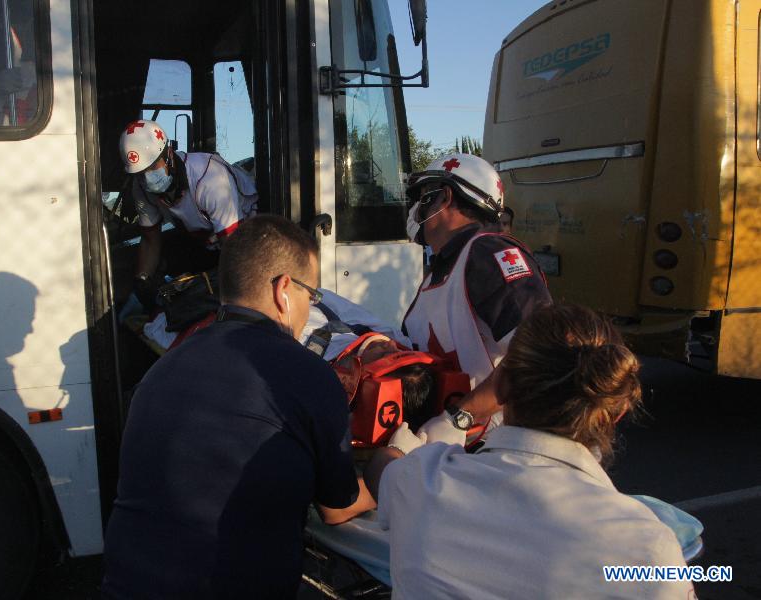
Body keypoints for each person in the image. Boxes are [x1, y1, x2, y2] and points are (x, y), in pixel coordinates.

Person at [102, 216, 375, 599]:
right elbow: (339, 508)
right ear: (284, 291)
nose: (307, 310)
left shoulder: (162, 369)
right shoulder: (306, 373)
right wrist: (387, 469)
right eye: (310, 296)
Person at [365, 304, 695, 599]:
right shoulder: (649, 546)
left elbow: (383, 466)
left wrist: (457, 417)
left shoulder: (422, 484)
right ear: (616, 412)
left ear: (502, 386)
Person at [402, 153, 551, 439]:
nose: (414, 210)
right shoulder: (444, 267)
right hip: (455, 445)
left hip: (496, 446)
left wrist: (459, 418)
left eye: (423, 198)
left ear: (444, 198)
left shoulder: (489, 254)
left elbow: (542, 353)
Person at [120, 119, 258, 311]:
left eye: (152, 167)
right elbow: (150, 239)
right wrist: (142, 283)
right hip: (204, 240)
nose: (147, 178)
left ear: (168, 153)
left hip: (245, 241)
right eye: (141, 173)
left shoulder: (209, 177)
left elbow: (232, 244)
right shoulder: (142, 188)